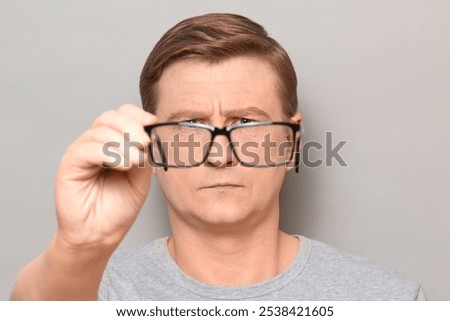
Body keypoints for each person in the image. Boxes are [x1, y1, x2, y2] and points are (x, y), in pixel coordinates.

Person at [10, 13, 425, 300]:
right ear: (151, 146)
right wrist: (80, 245)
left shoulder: (388, 300)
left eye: (245, 122)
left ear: (292, 143)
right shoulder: (85, 288)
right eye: (190, 125)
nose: (220, 154)